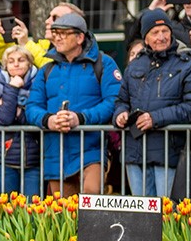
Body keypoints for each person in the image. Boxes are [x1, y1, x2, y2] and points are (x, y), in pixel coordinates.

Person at [25, 12, 121, 196]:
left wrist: (80, 118)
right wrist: (48, 120)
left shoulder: (104, 63)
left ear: (80, 37)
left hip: (92, 148)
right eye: (55, 33)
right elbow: (32, 107)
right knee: (62, 216)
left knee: (91, 201)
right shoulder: (46, 69)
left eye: (63, 33)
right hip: (55, 151)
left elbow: (113, 101)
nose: (57, 37)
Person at [114, 8, 191, 196]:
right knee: (141, 214)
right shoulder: (135, 65)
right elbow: (121, 100)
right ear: (145, 38)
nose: (161, 37)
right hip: (135, 151)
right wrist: (120, 114)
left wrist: (155, 118)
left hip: (168, 152)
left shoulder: (189, 63)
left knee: (167, 215)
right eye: (155, 33)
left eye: (165, 31)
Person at [0, 44, 41, 197]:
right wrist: (12, 87)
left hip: (33, 159)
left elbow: (34, 117)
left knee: (33, 212)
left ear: (29, 63)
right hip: (5, 159)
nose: (16, 64)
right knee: (8, 213)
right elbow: (4, 118)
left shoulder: (39, 83)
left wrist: (14, 109)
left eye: (21, 60)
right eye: (11, 61)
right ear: (6, 65)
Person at [0, 3, 86, 67]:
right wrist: (5, 34)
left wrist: (26, 44)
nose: (47, 21)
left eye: (55, 18)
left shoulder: (84, 56)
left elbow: (52, 66)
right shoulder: (42, 46)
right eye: (48, 17)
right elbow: (7, 58)